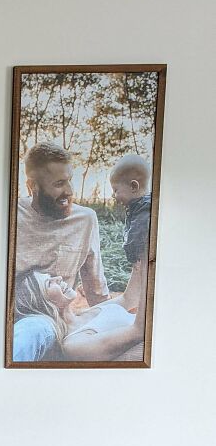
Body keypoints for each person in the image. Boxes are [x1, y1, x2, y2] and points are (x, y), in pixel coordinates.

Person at [13, 142, 110, 360]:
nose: (69, 191)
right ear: (32, 186)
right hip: (6, 316)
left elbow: (96, 288)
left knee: (31, 332)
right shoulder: (11, 215)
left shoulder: (85, 220)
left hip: (45, 320)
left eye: (69, 180)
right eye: (58, 184)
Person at [14, 263, 146, 362]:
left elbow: (129, 298)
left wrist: (139, 255)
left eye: (52, 277)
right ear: (41, 302)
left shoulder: (85, 313)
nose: (59, 278)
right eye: (49, 283)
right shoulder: (73, 344)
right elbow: (140, 331)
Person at [110, 154, 152, 267]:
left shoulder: (144, 211)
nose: (113, 195)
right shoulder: (140, 207)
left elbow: (135, 241)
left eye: (115, 190)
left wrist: (130, 254)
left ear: (133, 186)